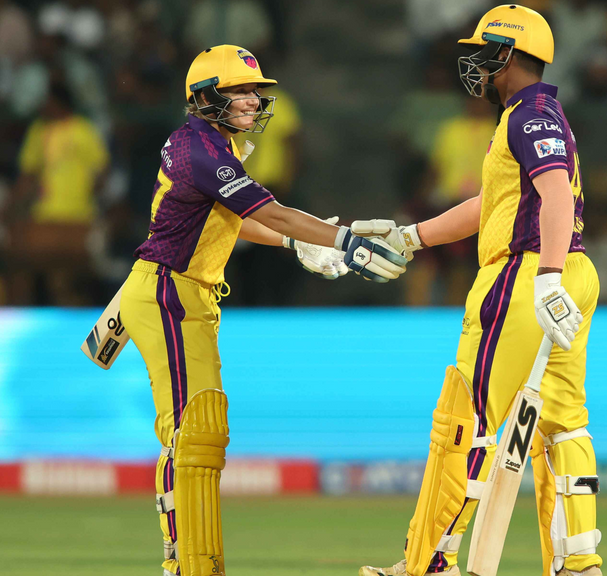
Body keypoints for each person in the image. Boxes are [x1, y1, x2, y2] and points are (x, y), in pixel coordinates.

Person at [117, 45, 406, 576]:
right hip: (167, 292)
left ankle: (189, 559)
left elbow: (232, 220)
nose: (253, 100)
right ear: (207, 96)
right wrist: (344, 241)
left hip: (181, 294)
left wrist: (297, 244)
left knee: (199, 431)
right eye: (240, 91)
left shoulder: (204, 143)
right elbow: (274, 213)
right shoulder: (204, 152)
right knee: (191, 433)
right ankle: (184, 563)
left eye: (255, 91)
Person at [356, 5, 603, 576]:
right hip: (568, 269)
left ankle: (429, 563)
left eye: (484, 54)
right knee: (562, 421)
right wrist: (412, 237)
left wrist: (545, 277)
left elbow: (555, 193)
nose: (476, 66)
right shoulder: (536, 114)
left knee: (466, 418)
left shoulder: (528, 115)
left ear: (508, 55)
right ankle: (578, 563)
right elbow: (491, 205)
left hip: (526, 274)